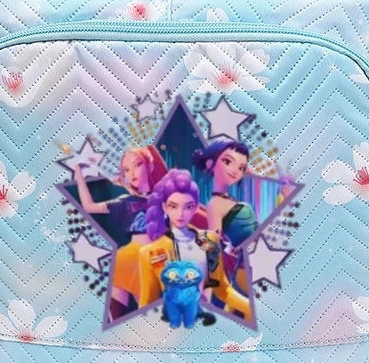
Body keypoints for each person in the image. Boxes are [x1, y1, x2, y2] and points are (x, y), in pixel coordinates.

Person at [137, 169, 251, 323]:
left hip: (205, 322)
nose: (180, 213)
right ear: (165, 207)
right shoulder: (149, 253)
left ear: (196, 207)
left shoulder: (210, 240)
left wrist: (250, 307)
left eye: (188, 206)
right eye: (173, 206)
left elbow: (223, 290)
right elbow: (146, 308)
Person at [72, 147, 166, 318]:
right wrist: (79, 174)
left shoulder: (163, 199)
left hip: (153, 260)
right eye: (127, 170)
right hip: (128, 257)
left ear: (150, 166)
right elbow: (89, 206)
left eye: (138, 165)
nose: (133, 173)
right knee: (117, 315)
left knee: (150, 318)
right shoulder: (125, 202)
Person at [191, 138, 258, 248]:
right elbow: (214, 245)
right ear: (210, 163)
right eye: (227, 162)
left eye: (241, 168)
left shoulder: (229, 198)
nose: (235, 171)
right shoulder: (214, 205)